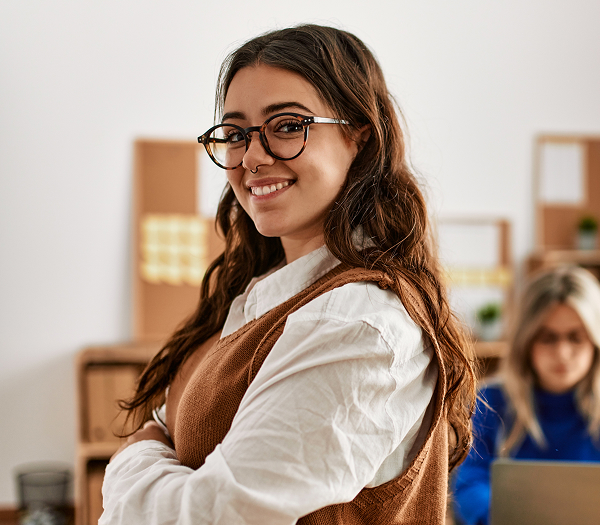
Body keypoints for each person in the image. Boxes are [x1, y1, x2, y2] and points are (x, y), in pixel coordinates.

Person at [100, 24, 476, 525]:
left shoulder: (357, 323)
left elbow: (210, 515)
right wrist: (156, 451)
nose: (253, 157)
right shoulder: (261, 294)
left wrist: (130, 461)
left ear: (359, 136)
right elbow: (169, 430)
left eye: (287, 125)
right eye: (235, 134)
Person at [453, 265, 600, 525]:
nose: (562, 353)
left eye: (576, 338)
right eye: (548, 338)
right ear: (527, 341)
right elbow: (469, 482)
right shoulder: (490, 401)